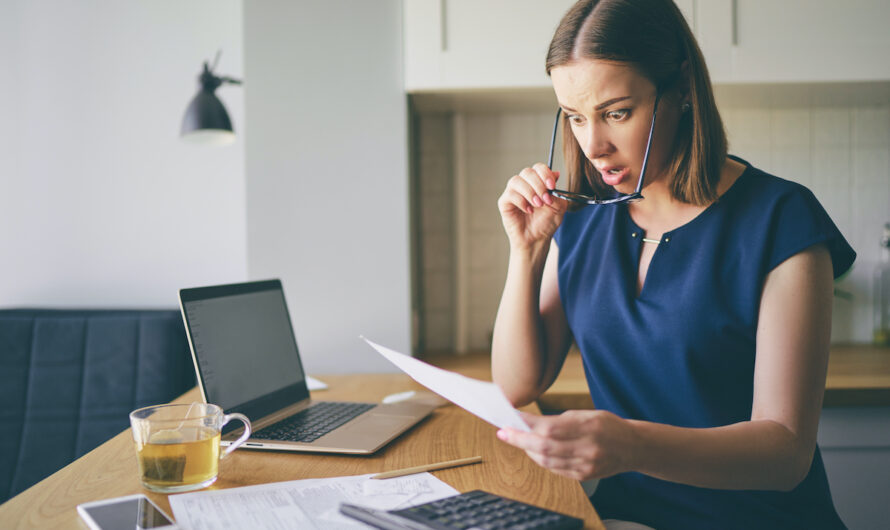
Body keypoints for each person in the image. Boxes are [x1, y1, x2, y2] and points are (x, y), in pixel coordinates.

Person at [490, 0, 855, 528]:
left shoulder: (780, 218)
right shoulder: (581, 220)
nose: (593, 145)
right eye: (574, 117)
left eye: (616, 112)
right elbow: (516, 386)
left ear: (683, 88)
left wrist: (630, 444)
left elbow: (786, 453)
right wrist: (525, 252)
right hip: (628, 520)